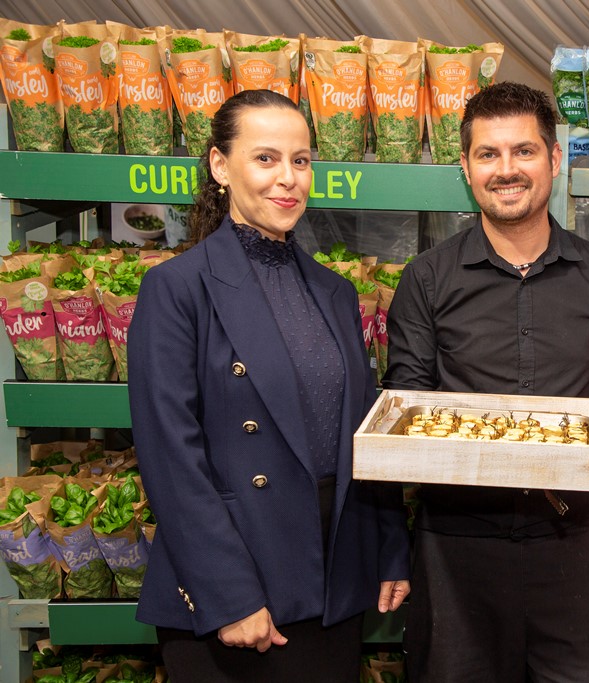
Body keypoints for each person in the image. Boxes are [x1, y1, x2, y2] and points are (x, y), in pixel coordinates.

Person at [127, 89, 410, 682]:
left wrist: (387, 549)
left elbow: (365, 435)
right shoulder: (177, 289)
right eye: (266, 158)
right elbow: (170, 458)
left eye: (300, 161)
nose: (288, 179)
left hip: (332, 581)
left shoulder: (335, 292)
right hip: (236, 586)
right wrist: (228, 594)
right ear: (219, 166)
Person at [382, 81, 589, 682]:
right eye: (489, 153)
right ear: (466, 167)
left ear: (554, 159)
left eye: (524, 151)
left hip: (569, 544)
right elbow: (405, 404)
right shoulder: (427, 279)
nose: (506, 169)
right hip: (455, 550)